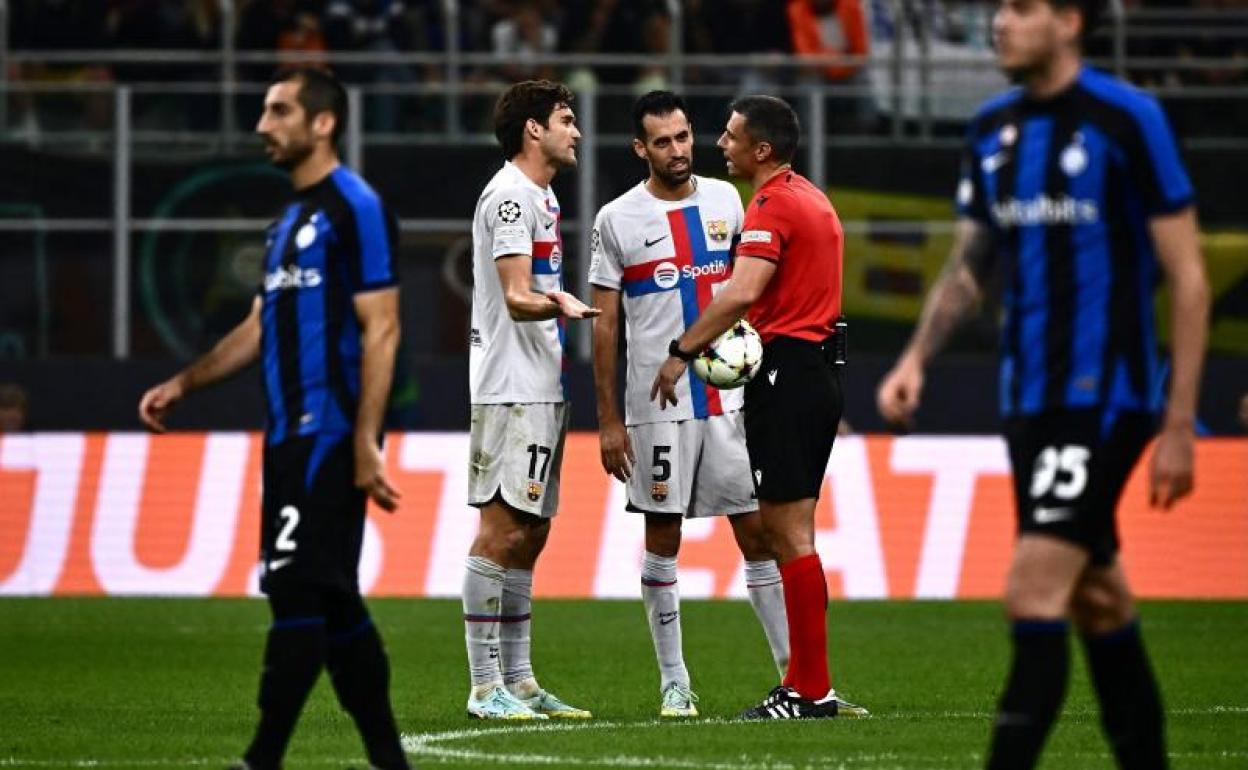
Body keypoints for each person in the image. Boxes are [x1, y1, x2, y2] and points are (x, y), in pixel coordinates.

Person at [876, 1, 1210, 767]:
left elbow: (1189, 281)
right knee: (1099, 600)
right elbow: (970, 266)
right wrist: (916, 358)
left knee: (1032, 593)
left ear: (1068, 20)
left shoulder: (1128, 121)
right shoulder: (992, 128)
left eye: (1021, 8)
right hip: (1028, 400)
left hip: (1103, 397)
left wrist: (1182, 424)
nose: (1000, 22)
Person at [137, 67, 410, 770]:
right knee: (332, 598)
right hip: (286, 433)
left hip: (328, 432)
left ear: (323, 123)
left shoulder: (358, 207)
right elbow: (259, 326)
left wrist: (364, 443)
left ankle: (260, 759)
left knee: (294, 588)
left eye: (279, 110)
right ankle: (390, 760)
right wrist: (183, 383)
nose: (263, 125)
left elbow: (382, 328)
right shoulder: (285, 224)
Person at [651, 95, 868, 720]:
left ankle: (808, 689)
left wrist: (681, 350)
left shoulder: (772, 206)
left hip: (788, 372)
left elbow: (742, 292)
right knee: (792, 530)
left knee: (786, 533)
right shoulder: (813, 198)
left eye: (730, 134)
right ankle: (810, 683)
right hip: (819, 368)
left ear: (761, 149)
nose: (720, 143)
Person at [589, 90, 792, 718]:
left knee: (756, 531)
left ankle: (797, 675)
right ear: (640, 149)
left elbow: (747, 291)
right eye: (663, 142)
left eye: (683, 137)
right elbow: (603, 323)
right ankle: (674, 682)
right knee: (663, 536)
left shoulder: (727, 199)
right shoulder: (616, 219)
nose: (678, 151)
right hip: (657, 404)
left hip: (727, 399)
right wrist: (608, 420)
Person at [461, 79, 599, 721]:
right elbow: (516, 293)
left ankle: (518, 681)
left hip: (539, 383)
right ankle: (484, 684)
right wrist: (561, 302)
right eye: (566, 119)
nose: (576, 131)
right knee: (501, 529)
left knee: (533, 530)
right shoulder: (512, 197)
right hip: (509, 387)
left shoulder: (540, 195)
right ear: (533, 130)